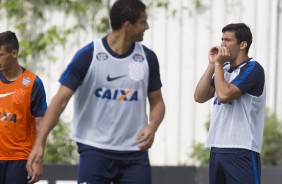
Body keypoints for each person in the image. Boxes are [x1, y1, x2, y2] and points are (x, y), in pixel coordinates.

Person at [26, 0, 166, 183]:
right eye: (143, 22)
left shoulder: (148, 58)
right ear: (127, 25)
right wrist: (39, 144)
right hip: (94, 151)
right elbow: (59, 101)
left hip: (135, 154)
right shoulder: (88, 55)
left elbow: (157, 102)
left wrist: (152, 126)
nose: (147, 27)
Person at [194, 23, 266, 184]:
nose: (222, 45)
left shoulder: (253, 68)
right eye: (221, 40)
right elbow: (199, 96)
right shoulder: (223, 69)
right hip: (217, 148)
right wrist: (212, 64)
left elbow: (225, 94)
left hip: (242, 150)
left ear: (242, 44)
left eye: (227, 40)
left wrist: (219, 65)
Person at [0, 31, 47, 184]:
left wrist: (38, 158)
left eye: (0, 54)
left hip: (19, 159)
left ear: (14, 54)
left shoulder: (33, 83)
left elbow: (41, 125)